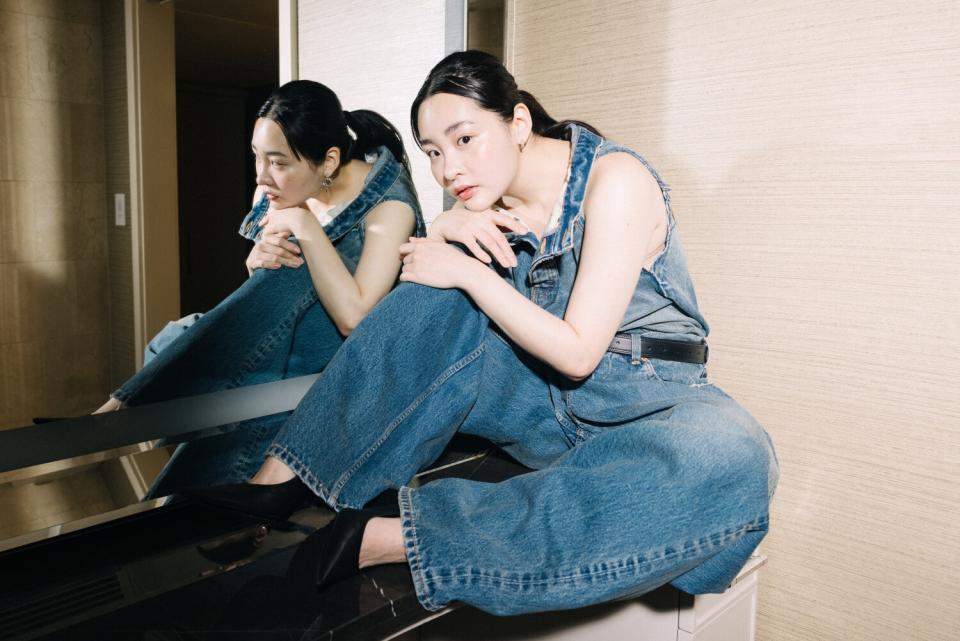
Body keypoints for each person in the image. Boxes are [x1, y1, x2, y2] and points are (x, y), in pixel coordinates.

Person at [198, 51, 779, 616]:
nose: (448, 168)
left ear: (518, 123)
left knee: (735, 459)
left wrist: (468, 273)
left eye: (464, 138)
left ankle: (387, 538)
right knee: (436, 283)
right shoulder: (484, 202)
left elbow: (578, 353)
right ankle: (280, 480)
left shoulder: (616, 178)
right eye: (431, 151)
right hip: (540, 410)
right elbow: (416, 320)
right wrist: (448, 234)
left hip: (654, 404)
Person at [96, 80, 424, 498]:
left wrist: (305, 226)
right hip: (283, 356)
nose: (262, 176)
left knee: (224, 374)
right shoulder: (274, 192)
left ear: (328, 161)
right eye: (256, 157)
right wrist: (255, 262)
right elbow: (268, 302)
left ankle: (133, 404)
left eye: (278, 162)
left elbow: (355, 318)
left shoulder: (389, 207)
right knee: (240, 397)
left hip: (351, 367)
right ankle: (171, 498)